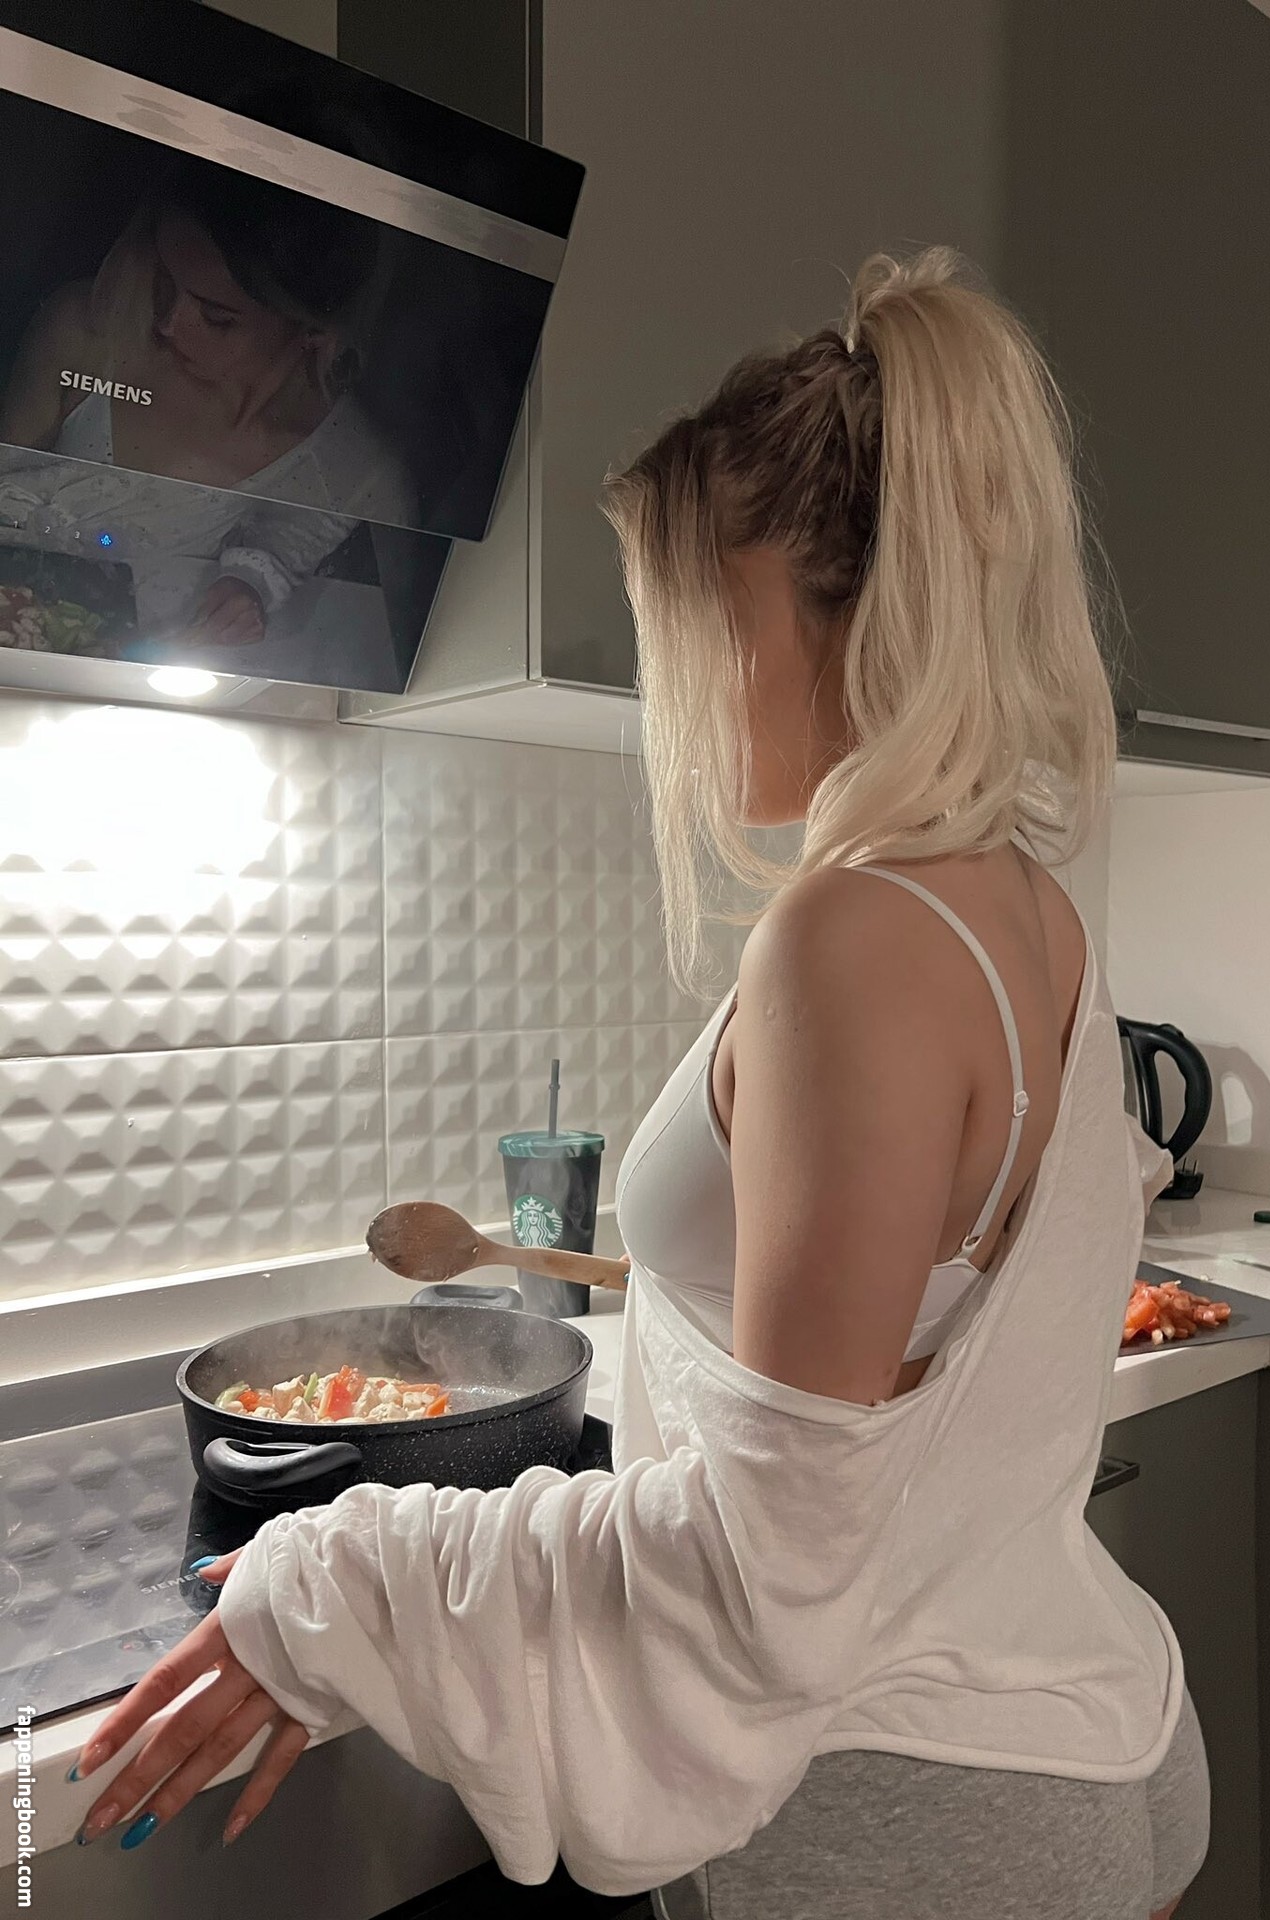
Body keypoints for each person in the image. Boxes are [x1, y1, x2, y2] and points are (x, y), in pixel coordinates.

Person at [72, 249, 1210, 1918]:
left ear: (830, 606)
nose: (677, 683)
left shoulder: (858, 935)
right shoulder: (1020, 905)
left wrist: (332, 1584)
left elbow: (759, 1580)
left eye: (700, 622)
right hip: (1071, 1723)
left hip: (910, 1809)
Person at [0, 162, 413, 653]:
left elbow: (294, 540)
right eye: (165, 279)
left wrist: (246, 587)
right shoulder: (90, 330)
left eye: (216, 316)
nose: (169, 323)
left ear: (314, 330)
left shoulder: (346, 462)